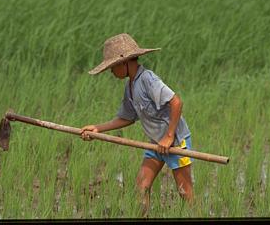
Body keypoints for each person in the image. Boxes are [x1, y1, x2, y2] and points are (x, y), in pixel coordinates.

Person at [80, 33, 193, 217]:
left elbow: (176, 102)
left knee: (185, 194)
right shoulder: (130, 86)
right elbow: (127, 118)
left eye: (112, 67)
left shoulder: (148, 79)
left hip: (176, 142)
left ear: (124, 62)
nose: (111, 72)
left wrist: (169, 136)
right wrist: (98, 129)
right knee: (141, 187)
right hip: (156, 144)